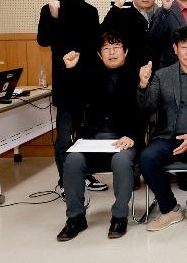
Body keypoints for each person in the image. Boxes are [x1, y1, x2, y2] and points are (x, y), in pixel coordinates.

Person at [57, 32, 142, 241]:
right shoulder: (89, 75)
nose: (112, 52)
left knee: (122, 160)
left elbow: (145, 111)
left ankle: (119, 217)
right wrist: (70, 70)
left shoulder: (136, 76)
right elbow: (68, 100)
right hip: (92, 141)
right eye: (106, 48)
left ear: (126, 52)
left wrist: (132, 136)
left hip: (123, 140)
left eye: (116, 47)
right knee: (72, 160)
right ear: (99, 54)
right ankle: (76, 218)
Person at [137, 26, 187, 231]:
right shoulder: (162, 75)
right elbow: (147, 107)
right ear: (175, 49)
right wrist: (143, 85)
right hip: (168, 136)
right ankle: (170, 208)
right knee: (146, 158)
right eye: (184, 47)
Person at [37, 0, 106, 193]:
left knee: (87, 133)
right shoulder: (50, 8)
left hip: (89, 80)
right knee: (65, 135)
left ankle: (85, 174)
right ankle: (66, 182)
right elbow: (44, 40)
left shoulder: (91, 10)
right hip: (66, 81)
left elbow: (96, 44)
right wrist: (54, 16)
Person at [102, 0, 162, 67]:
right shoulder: (121, 15)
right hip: (130, 70)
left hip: (160, 70)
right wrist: (116, 8)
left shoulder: (163, 15)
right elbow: (101, 33)